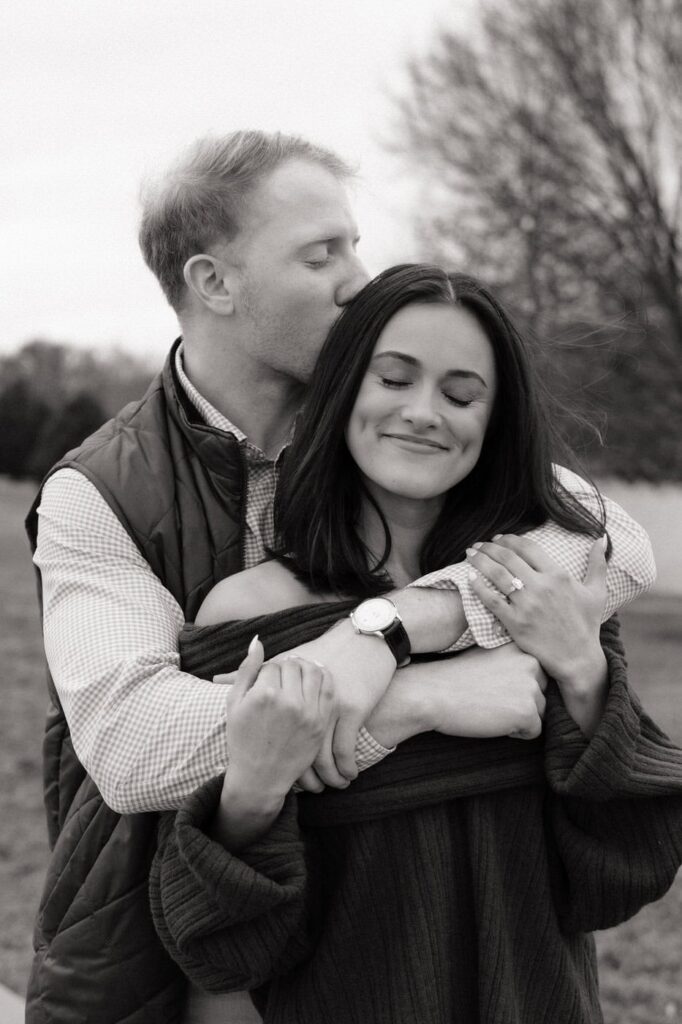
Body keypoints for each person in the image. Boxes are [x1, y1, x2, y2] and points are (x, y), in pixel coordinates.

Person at [25, 132, 653, 1024]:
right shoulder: (98, 495)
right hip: (173, 960)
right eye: (323, 253)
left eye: (355, 245)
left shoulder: (393, 416)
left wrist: (394, 628)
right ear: (215, 283)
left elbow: (613, 544)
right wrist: (420, 698)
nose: (358, 277)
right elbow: (135, 750)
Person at [150, 265, 682, 1024]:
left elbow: (622, 876)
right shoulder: (251, 611)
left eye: (463, 395)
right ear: (341, 394)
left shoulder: (542, 600)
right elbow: (219, 949)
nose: (424, 413)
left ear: (495, 424)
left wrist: (583, 670)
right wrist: (254, 792)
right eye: (393, 379)